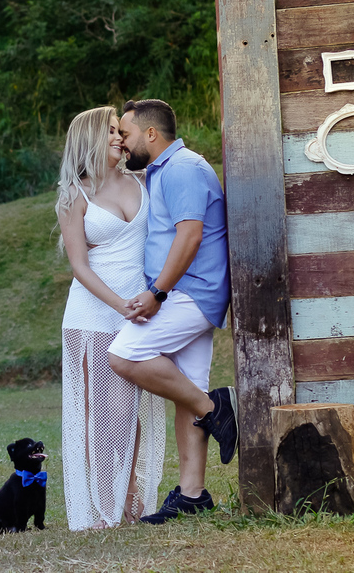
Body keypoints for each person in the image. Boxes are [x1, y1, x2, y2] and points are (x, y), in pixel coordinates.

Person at [107, 98, 237, 524]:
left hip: (189, 292)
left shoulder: (182, 168)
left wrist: (157, 293)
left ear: (150, 133)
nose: (121, 143)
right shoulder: (164, 170)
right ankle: (192, 494)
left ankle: (215, 408)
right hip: (186, 291)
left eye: (124, 134)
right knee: (188, 388)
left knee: (124, 355)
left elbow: (190, 237)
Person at [55, 105, 166, 530]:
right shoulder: (74, 195)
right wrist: (120, 305)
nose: (120, 139)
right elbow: (80, 267)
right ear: (88, 141)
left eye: (121, 132)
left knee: (131, 411)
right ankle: (105, 506)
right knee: (103, 416)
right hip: (93, 316)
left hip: (140, 312)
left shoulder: (143, 182)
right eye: (110, 133)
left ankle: (130, 496)